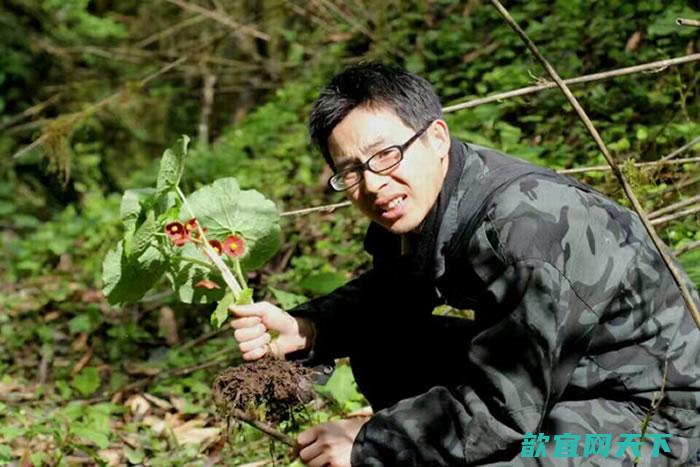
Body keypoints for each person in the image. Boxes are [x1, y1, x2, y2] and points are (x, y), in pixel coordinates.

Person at [230, 63, 700, 466]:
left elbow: (506, 410)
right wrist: (308, 328)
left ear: (436, 137)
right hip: (561, 381)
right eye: (350, 171)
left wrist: (369, 442)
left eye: (386, 155)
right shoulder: (421, 201)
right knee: (385, 341)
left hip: (658, 418)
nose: (373, 184)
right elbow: (390, 295)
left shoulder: (524, 230)